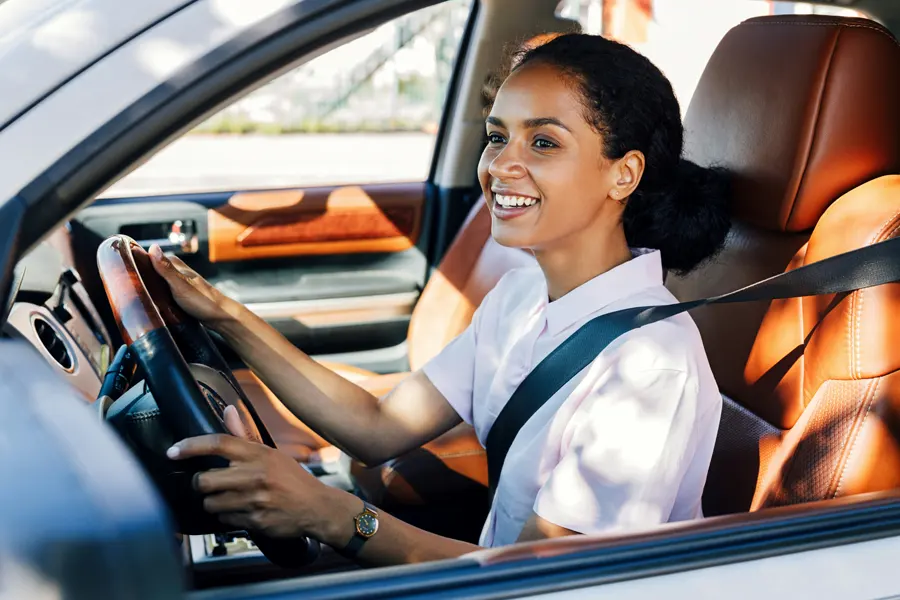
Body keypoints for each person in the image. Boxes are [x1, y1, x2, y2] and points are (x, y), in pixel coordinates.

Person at [152, 32, 731, 566]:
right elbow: (377, 425)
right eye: (497, 136)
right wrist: (223, 315)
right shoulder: (521, 295)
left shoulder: (649, 364)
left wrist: (329, 512)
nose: (501, 165)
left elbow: (543, 579)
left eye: (544, 142)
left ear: (624, 174)